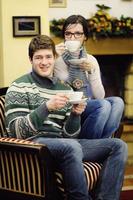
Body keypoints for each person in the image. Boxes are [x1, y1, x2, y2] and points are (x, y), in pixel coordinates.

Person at [5, 35, 127, 200]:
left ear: (54, 58)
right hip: (35, 144)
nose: (44, 62)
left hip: (64, 144)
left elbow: (70, 136)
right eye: (38, 57)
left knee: (118, 146)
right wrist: (46, 107)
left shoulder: (64, 88)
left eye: (48, 57)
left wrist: (75, 115)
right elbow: (15, 131)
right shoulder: (19, 86)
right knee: (71, 146)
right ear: (30, 60)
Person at [54, 15, 124, 139]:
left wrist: (91, 71)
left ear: (85, 37)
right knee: (103, 105)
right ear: (64, 36)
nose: (72, 38)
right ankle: (92, 144)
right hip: (66, 108)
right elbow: (36, 76)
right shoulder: (55, 58)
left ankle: (102, 141)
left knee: (118, 102)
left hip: (86, 106)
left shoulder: (90, 60)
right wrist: (52, 56)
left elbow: (100, 96)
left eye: (78, 34)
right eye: (68, 34)